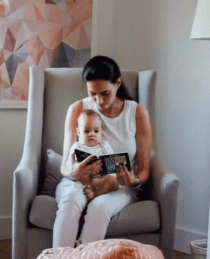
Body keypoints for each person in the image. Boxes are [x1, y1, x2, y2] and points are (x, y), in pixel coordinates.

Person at [53, 55, 152, 248]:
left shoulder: (137, 113)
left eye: (105, 93)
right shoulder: (78, 109)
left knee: (100, 208)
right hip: (77, 181)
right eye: (93, 94)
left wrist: (134, 180)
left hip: (118, 186)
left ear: (118, 83)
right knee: (71, 200)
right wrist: (73, 173)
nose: (99, 101)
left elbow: (145, 170)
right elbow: (65, 164)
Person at [66, 109, 119, 202]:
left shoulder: (105, 147)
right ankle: (88, 189)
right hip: (84, 180)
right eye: (86, 131)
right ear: (78, 132)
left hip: (100, 180)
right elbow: (70, 166)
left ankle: (94, 194)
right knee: (83, 174)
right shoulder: (76, 147)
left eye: (96, 131)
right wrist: (75, 167)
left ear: (101, 131)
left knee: (113, 181)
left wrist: (108, 172)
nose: (91, 134)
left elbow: (112, 170)